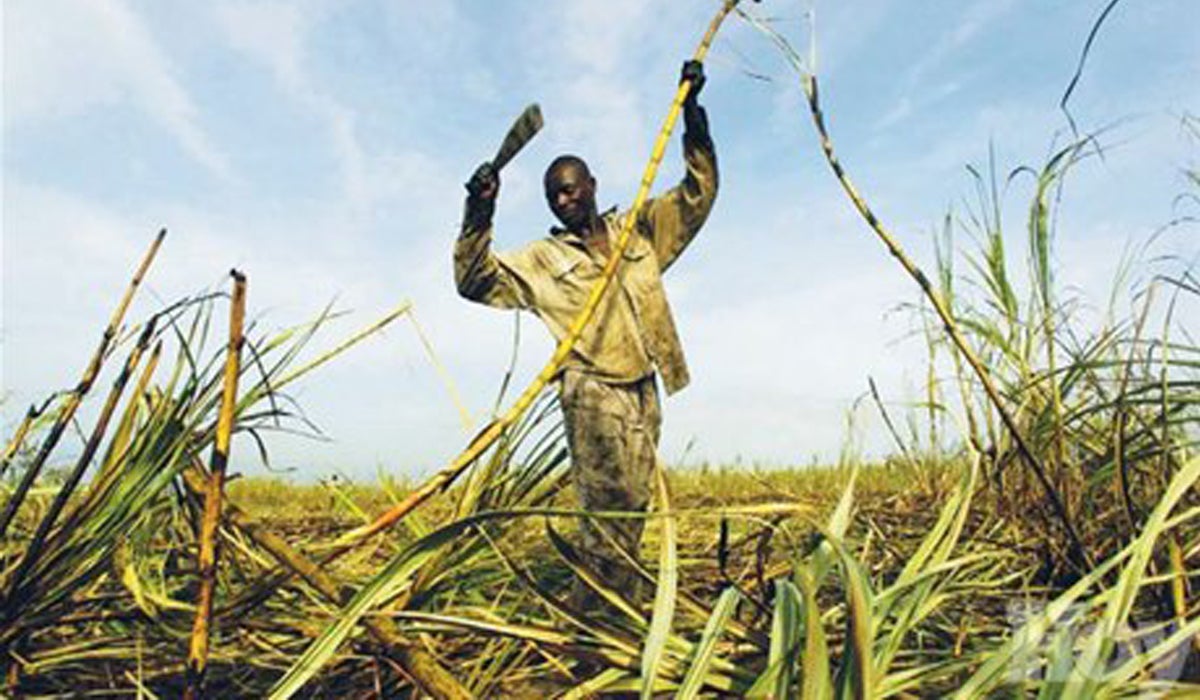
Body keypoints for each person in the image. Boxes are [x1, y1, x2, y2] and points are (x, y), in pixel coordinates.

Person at [454, 60, 717, 605]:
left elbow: (698, 194)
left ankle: (622, 602)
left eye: (571, 190)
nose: (563, 201)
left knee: (634, 503)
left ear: (591, 186)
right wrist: (478, 210)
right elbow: (474, 280)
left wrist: (692, 115)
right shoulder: (543, 258)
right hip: (592, 391)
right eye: (554, 196)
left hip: (645, 384)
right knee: (604, 507)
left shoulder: (637, 232)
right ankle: (592, 616)